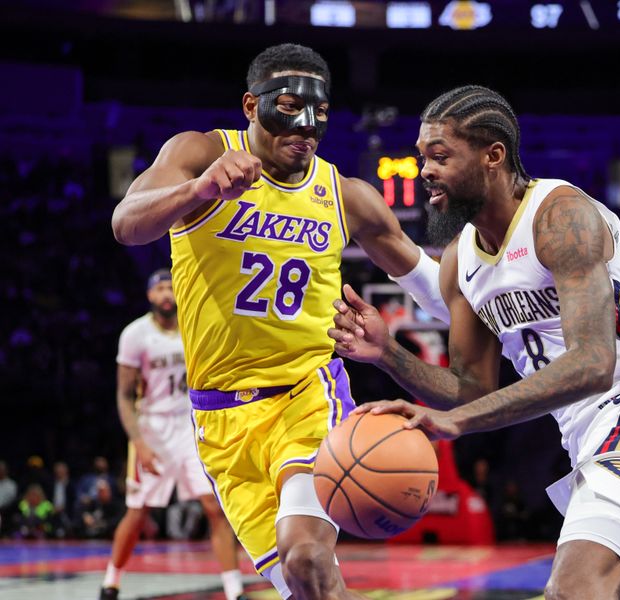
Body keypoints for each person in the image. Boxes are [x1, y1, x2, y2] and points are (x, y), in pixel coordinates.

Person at [330, 85, 620, 599]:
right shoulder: (459, 261)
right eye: (423, 158)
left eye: (440, 156)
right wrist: (389, 354)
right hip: (585, 436)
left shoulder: (560, 216)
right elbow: (471, 389)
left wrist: (456, 422)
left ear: (493, 156)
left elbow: (593, 364)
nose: (425, 171)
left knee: (575, 588)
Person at [110, 44, 446, 599]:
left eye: (319, 114)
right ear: (251, 105)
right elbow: (126, 224)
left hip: (304, 394)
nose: (307, 127)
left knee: (308, 554)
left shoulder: (346, 195)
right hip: (218, 419)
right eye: (289, 108)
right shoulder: (199, 153)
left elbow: (433, 292)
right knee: (304, 583)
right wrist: (201, 190)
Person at [99, 270, 247, 600]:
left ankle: (235, 591)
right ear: (150, 295)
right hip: (153, 429)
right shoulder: (135, 334)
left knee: (215, 507)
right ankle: (111, 583)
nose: (166, 293)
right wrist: (138, 442)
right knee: (138, 513)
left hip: (193, 426)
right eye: (160, 288)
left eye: (171, 287)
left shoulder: (196, 324)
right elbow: (124, 396)